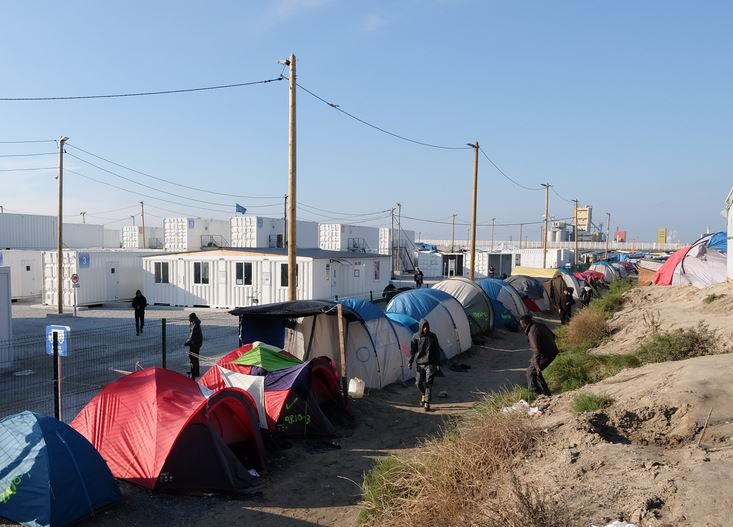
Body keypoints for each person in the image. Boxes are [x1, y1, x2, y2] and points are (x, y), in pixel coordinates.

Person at [519, 314, 558, 396]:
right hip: (552, 350)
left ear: (525, 323)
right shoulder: (540, 325)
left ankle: (535, 394)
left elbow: (536, 350)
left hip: (545, 354)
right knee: (536, 371)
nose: (521, 326)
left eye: (521, 324)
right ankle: (545, 392)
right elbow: (553, 336)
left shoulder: (532, 332)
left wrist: (536, 363)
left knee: (530, 372)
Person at [408, 319, 441, 411]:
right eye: (424, 326)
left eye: (427, 326)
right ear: (421, 327)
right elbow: (412, 351)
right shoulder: (415, 337)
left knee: (429, 382)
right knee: (418, 382)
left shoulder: (433, 336)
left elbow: (437, 350)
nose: (426, 328)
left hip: (431, 363)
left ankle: (427, 402)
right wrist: (410, 361)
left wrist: (438, 363)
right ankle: (423, 394)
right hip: (420, 363)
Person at [184, 313, 203, 379]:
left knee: (193, 357)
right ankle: (196, 372)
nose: (188, 319)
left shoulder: (195, 324)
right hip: (197, 343)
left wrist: (187, 342)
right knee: (195, 357)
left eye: (189, 318)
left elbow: (192, 335)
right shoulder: (195, 323)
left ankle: (194, 372)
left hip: (195, 343)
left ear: (192, 318)